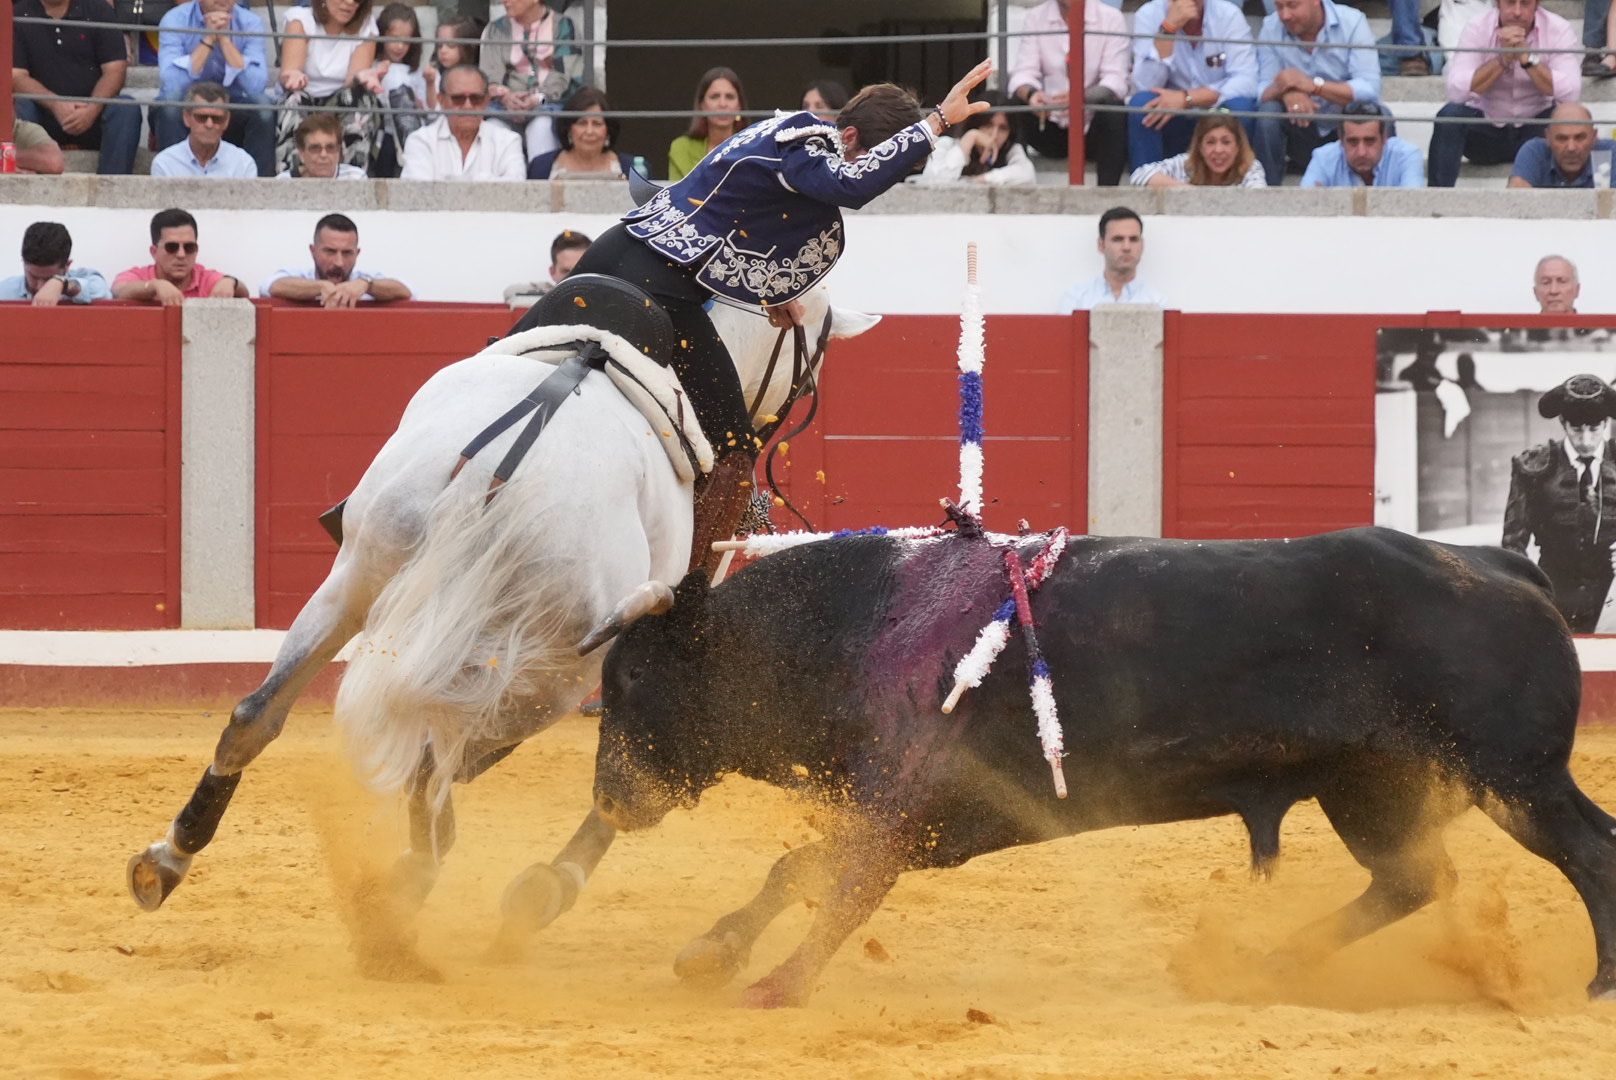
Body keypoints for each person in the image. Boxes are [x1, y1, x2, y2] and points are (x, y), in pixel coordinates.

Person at [513, 61, 994, 574]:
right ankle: (688, 600)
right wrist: (938, 120)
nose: (866, 176)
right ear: (849, 135)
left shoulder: (781, 131)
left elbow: (736, 221)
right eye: (867, 158)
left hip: (612, 253)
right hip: (661, 294)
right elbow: (850, 185)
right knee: (736, 447)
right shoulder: (813, 150)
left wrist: (771, 294)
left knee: (505, 361)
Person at [1503, 374, 1616, 632]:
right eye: (1577, 429)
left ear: (1606, 423)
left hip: (1612, 596)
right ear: (1563, 423)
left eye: (1594, 429)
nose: (1586, 440)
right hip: (1553, 593)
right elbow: (1513, 543)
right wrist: (1531, 594)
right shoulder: (1534, 466)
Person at [1428, 0, 1579, 188]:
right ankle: (1438, 197)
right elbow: (1456, 90)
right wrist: (1502, 60)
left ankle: (1568, 198)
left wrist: (1527, 58)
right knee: (1450, 116)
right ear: (1497, 3)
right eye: (1509, 3)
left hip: (1536, 134)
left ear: (1537, 5)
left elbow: (1571, 92)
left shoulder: (1558, 28)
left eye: (1525, 4)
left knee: (1571, 118)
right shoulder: (1477, 27)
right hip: (1486, 134)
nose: (1516, 12)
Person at [1254, 0, 1382, 184]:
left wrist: (1314, 86)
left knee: (1381, 115)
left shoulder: (1352, 22)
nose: (1284, 15)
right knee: (1268, 113)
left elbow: (1370, 89)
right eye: (1279, 6)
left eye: (1292, 5)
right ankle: (1265, 191)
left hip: (1344, 129)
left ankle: (1378, 193)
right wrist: (1287, 90)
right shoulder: (1271, 26)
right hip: (1299, 127)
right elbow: (1261, 91)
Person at [10, 0, 141, 175]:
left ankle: (111, 189)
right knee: (21, 104)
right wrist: (56, 104)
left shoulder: (99, 11)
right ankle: (31, 181)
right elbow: (16, 77)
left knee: (126, 108)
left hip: (93, 115)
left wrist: (92, 109)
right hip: (42, 115)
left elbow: (115, 71)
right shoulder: (18, 15)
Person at [1126, 0, 1259, 172]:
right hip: (1172, 117)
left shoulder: (1228, 15)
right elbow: (1145, 84)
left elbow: (1246, 80)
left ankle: (1232, 186)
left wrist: (1186, 98)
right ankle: (1149, 186)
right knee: (1141, 104)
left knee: (1241, 106)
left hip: (1216, 113)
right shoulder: (1148, 15)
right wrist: (1169, 28)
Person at [1007, 0, 1129, 185]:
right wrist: (1033, 95)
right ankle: (1016, 180)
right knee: (1013, 105)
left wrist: (1081, 98)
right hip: (1049, 122)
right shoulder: (1035, 17)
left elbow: (1116, 79)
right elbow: (1023, 73)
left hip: (1092, 128)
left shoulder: (1111, 18)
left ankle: (1107, 194)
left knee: (1114, 110)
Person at [151, 0, 275, 177]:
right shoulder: (174, 19)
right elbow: (172, 84)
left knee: (264, 108)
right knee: (169, 105)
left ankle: (262, 190)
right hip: (189, 104)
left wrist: (224, 39)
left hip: (232, 105)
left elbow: (256, 86)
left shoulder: (250, 22)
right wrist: (209, 38)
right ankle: (172, 181)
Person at [274, 0, 383, 175]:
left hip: (341, 99)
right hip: (306, 93)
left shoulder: (366, 26)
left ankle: (353, 175)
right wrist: (294, 76)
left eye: (356, 0)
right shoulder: (300, 19)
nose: (349, 3)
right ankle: (291, 173)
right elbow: (290, 72)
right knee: (294, 99)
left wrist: (361, 78)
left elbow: (352, 81)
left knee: (360, 98)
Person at [481, 0, 585, 162]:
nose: (504, 1)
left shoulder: (563, 26)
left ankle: (541, 184)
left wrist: (538, 98)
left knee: (541, 127)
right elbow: (489, 74)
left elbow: (563, 73)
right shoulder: (496, 29)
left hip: (550, 104)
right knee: (494, 128)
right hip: (504, 107)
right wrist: (506, 96)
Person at [400, 65, 526, 180]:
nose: (468, 106)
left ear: (486, 101)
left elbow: (516, 192)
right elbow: (417, 195)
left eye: (476, 98)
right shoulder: (421, 141)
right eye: (458, 99)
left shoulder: (508, 141)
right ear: (441, 100)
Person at [261, 214, 413, 306]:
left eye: (347, 253)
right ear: (313, 251)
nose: (339, 262)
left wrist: (366, 285)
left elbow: (407, 291)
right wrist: (319, 287)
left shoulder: (365, 280)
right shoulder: (301, 276)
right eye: (330, 252)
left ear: (357, 253)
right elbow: (270, 286)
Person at [111, 209, 249, 304]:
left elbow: (244, 292)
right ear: (154, 252)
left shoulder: (205, 278)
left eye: (189, 247)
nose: (181, 255)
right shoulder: (139, 276)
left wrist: (231, 282)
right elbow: (119, 290)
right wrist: (155, 286)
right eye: (172, 247)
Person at [367, 3, 434, 178]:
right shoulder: (372, 66)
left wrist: (429, 85)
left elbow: (430, 109)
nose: (400, 46)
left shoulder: (415, 72)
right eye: (394, 39)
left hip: (410, 137)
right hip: (382, 136)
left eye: (406, 41)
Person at [1058, 206, 1167, 312]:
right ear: (1101, 245)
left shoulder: (1157, 303)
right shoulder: (1077, 301)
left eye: (1133, 239)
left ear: (1142, 245)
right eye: (1118, 239)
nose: (1126, 247)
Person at [917, 92, 1036, 184]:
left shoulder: (1011, 150)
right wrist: (970, 138)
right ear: (976, 123)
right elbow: (934, 180)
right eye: (988, 125)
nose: (994, 135)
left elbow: (1027, 174)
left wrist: (983, 179)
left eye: (1002, 128)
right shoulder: (946, 144)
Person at [1300, 101, 1425, 187]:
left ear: (1384, 138)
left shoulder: (1407, 156)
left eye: (1370, 141)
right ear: (1341, 140)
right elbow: (1306, 205)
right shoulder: (1323, 158)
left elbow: (1413, 206)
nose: (1361, 152)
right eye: (1352, 142)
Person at [150, 82, 260, 178]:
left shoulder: (243, 164)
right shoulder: (165, 163)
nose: (209, 124)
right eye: (201, 117)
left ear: (226, 120)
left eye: (217, 119)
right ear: (187, 118)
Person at [1130, 112, 1267, 186]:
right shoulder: (1186, 163)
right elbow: (1139, 175)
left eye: (1226, 142)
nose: (1218, 150)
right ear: (1200, 147)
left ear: (1238, 146)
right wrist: (1186, 191)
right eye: (1210, 142)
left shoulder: (1251, 167)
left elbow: (1258, 198)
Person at [526, 87, 636, 179]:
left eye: (597, 123)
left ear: (609, 130)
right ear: (569, 128)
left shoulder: (634, 169)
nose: (589, 131)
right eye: (582, 123)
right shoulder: (540, 167)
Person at [0, 222, 110, 306]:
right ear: (23, 262)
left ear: (67, 265)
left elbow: (102, 291)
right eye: (33, 276)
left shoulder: (88, 280)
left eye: (49, 278)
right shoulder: (4, 291)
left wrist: (62, 284)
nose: (41, 287)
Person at [1509, 103, 1616, 188]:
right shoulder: (1534, 152)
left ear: (1594, 137)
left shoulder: (1611, 153)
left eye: (1580, 138)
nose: (1571, 147)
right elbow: (1516, 201)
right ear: (1548, 137)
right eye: (1562, 138)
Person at [668, 67, 747, 182]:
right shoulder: (682, 148)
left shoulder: (755, 147)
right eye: (715, 97)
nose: (722, 104)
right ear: (702, 105)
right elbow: (678, 197)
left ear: (740, 106)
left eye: (729, 97)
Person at [502, 228, 592, 305]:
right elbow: (511, 292)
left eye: (581, 270)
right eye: (566, 271)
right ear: (552, 272)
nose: (574, 277)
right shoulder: (545, 294)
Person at [276, 113, 370, 178]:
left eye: (330, 148)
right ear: (301, 154)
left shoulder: (356, 178)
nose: (323, 154)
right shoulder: (282, 182)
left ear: (338, 151)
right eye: (315, 148)